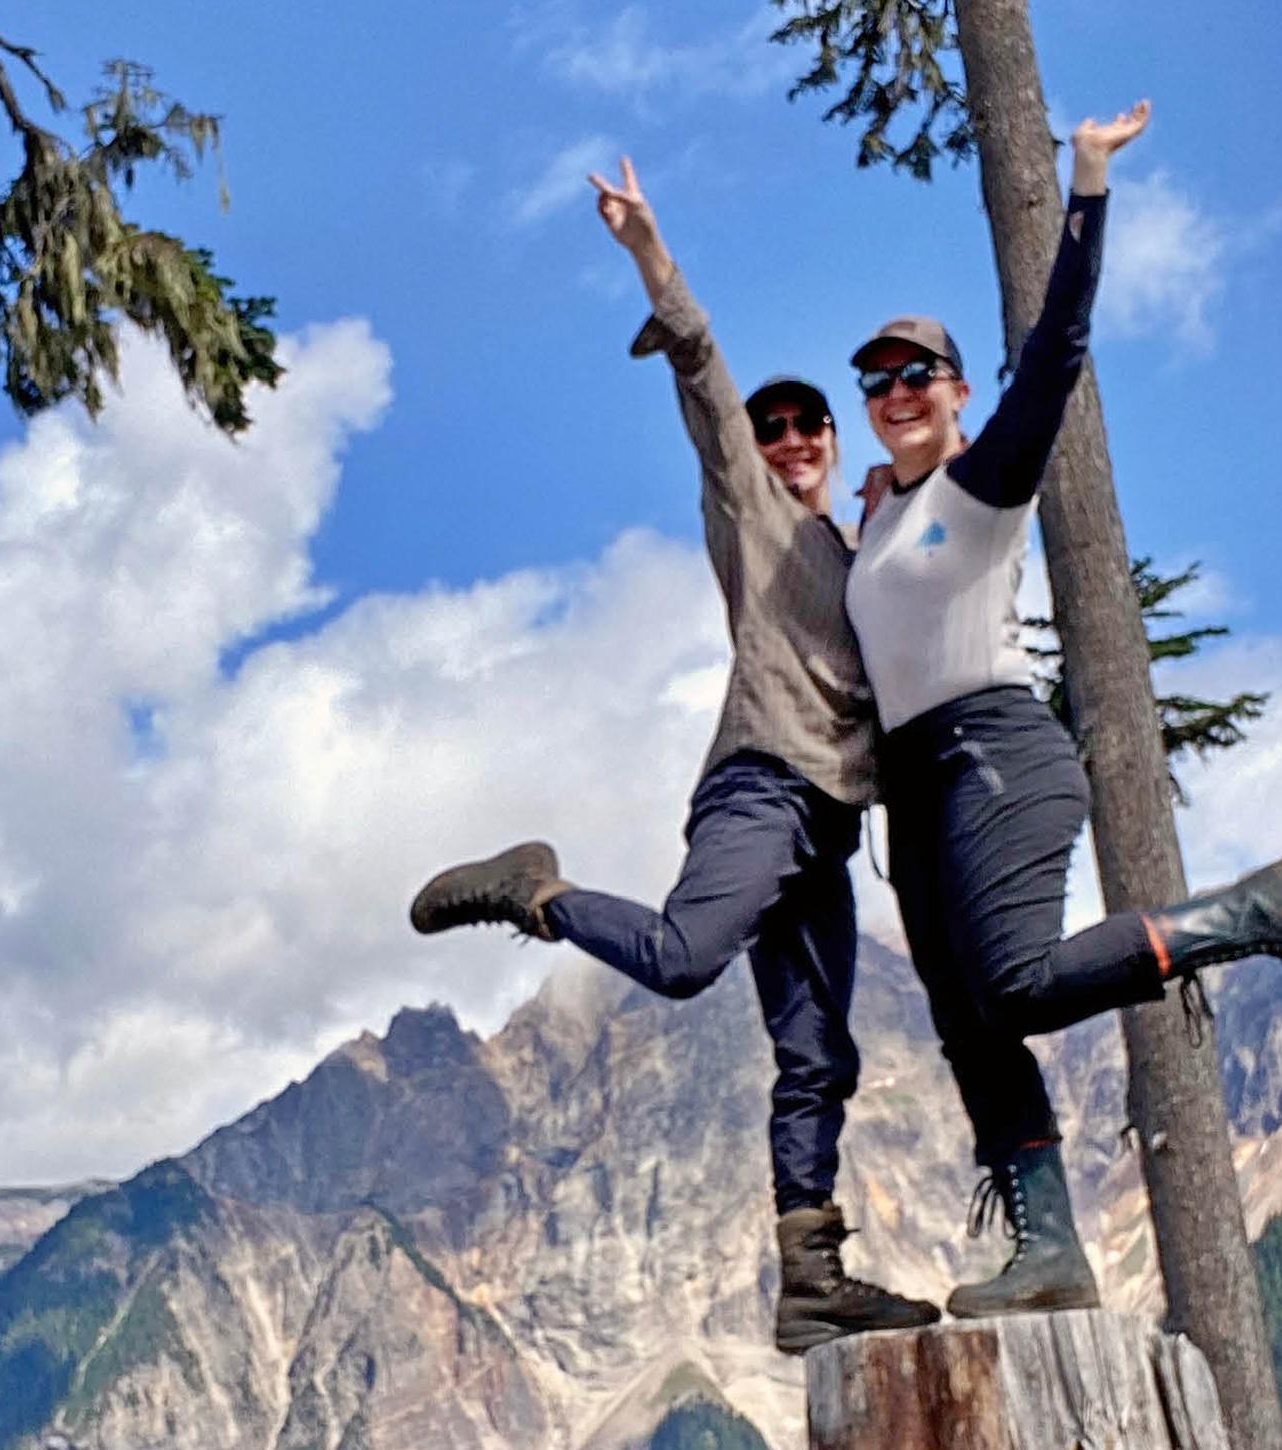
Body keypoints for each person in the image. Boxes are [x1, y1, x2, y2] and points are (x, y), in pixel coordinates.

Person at [404, 156, 938, 1354]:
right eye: (777, 426)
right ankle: (535, 890)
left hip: (826, 833)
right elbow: (702, 372)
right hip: (759, 788)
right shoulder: (752, 512)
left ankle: (810, 1279)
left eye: (809, 424)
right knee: (687, 956)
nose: (791, 436)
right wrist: (649, 248)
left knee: (820, 1055)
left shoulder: (867, 559)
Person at [843, 103, 1282, 1318]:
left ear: (960, 390)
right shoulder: (881, 517)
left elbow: (1060, 349)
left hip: (995, 755)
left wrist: (1084, 185)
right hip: (915, 793)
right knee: (973, 1025)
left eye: (918, 374)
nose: (896, 392)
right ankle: (1049, 1250)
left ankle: (1251, 910)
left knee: (1019, 984)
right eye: (877, 380)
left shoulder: (980, 486)